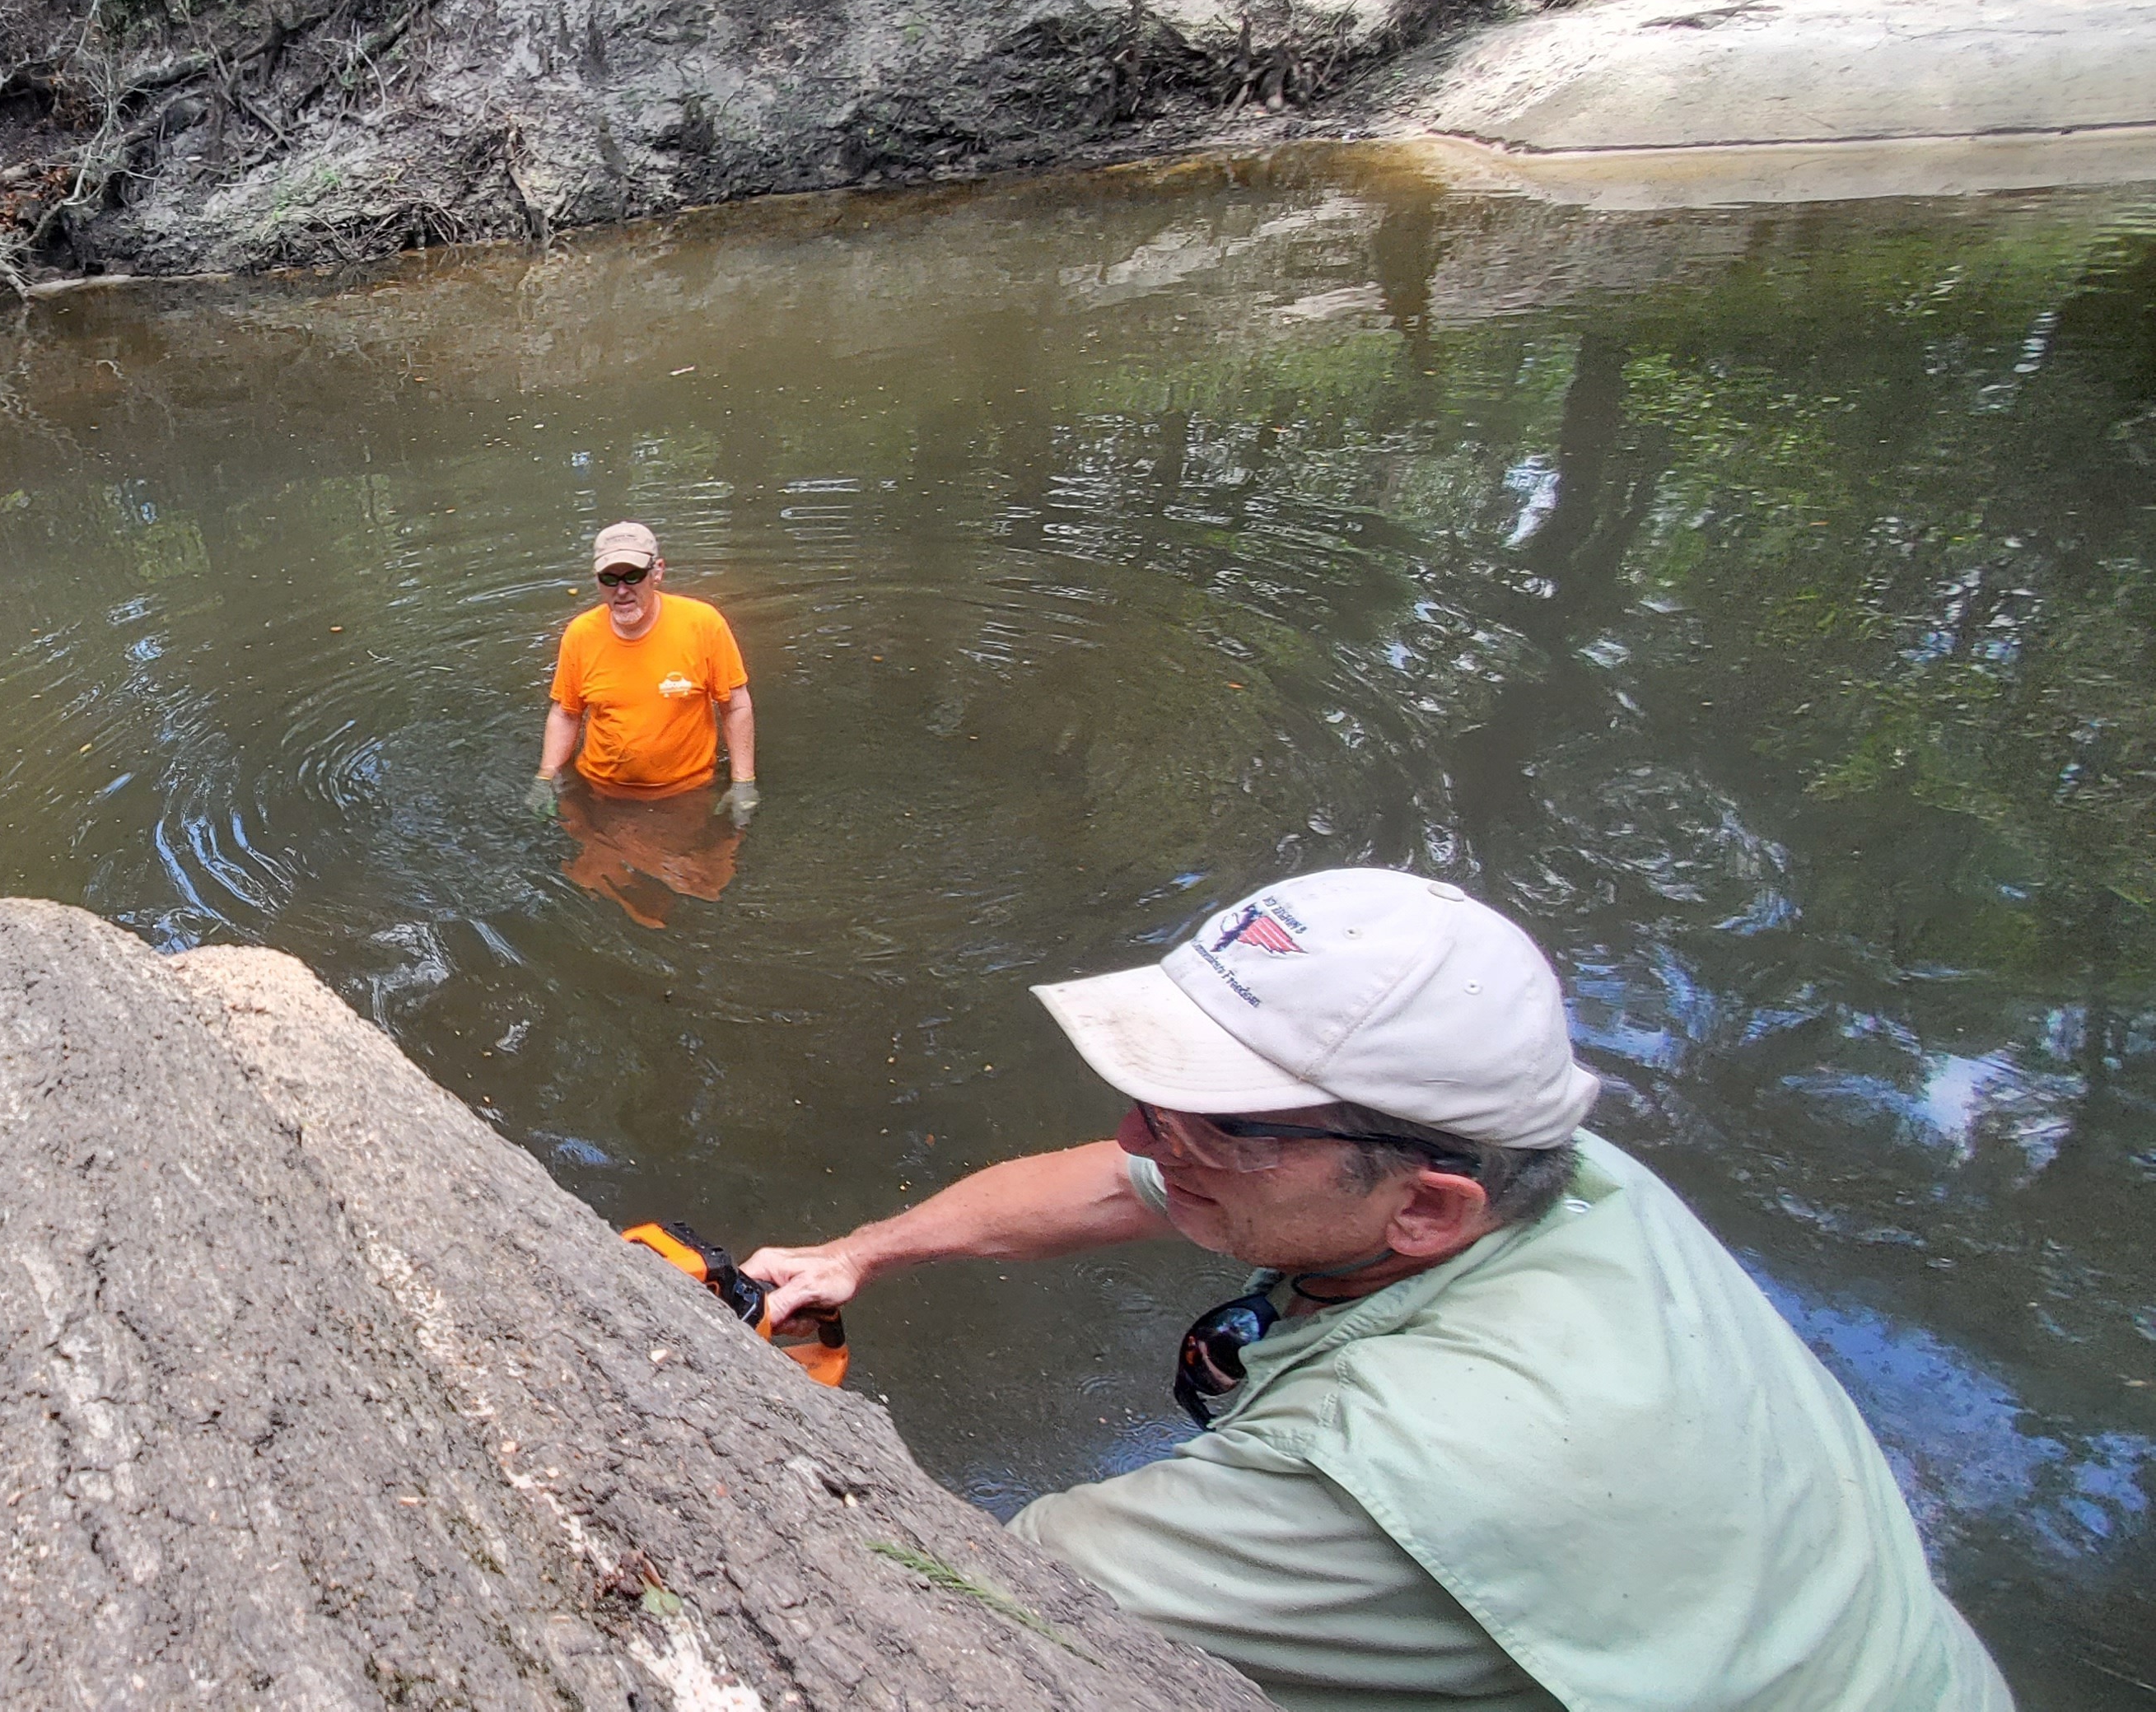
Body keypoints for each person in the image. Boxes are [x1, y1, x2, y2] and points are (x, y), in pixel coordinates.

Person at [743, 869, 2009, 1711]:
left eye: (1218, 1124)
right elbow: (1123, 1176)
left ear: (1424, 1205)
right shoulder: (1549, 1166)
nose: (1142, 1127)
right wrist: (866, 1249)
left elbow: (981, 1610)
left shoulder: (1380, 1474)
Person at [526, 521, 755, 826]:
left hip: (688, 792)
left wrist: (743, 783)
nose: (621, 591)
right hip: (600, 791)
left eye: (633, 576)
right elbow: (566, 713)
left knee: (699, 871)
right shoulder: (580, 635)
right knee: (592, 873)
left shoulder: (703, 624)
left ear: (657, 571)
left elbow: (735, 704)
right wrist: (546, 776)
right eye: (609, 578)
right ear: (597, 580)